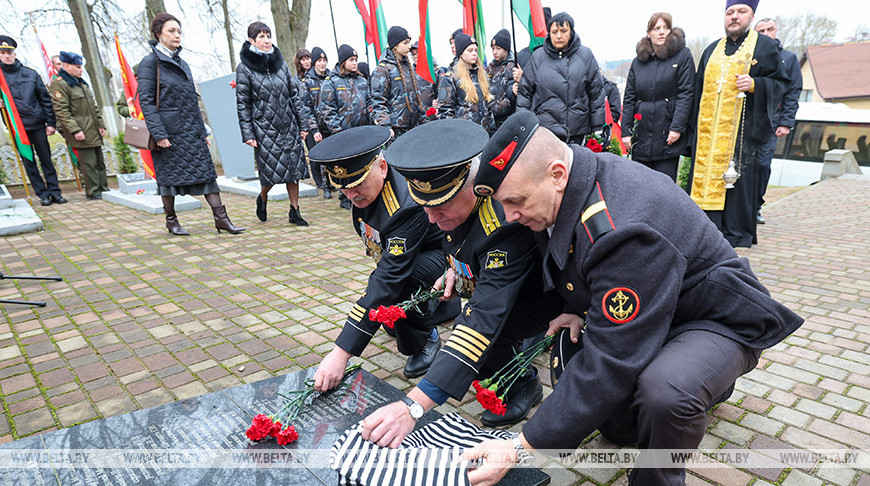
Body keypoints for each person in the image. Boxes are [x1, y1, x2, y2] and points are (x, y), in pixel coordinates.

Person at [463, 109, 803, 486]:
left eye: (517, 202)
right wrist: (576, 307)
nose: (510, 216)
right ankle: (699, 384)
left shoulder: (619, 227)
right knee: (619, 424)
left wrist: (519, 446)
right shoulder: (566, 189)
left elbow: (611, 361)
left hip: (713, 320)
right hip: (659, 311)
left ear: (557, 175)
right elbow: (578, 265)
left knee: (665, 394)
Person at [358, 119, 564, 449]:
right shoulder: (455, 206)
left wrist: (413, 406)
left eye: (440, 207)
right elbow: (459, 243)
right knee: (473, 354)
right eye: (425, 207)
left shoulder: (501, 220)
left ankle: (525, 383)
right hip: (504, 286)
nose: (430, 219)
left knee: (477, 339)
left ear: (471, 187)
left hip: (546, 299)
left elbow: (484, 315)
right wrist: (456, 268)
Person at [309, 125, 460, 393]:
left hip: (445, 256)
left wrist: (341, 353)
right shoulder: (367, 193)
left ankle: (425, 338)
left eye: (357, 183)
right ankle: (427, 311)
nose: (351, 194)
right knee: (389, 298)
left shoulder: (404, 206)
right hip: (414, 252)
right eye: (343, 187)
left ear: (381, 166)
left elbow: (389, 277)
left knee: (400, 283)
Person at [688, 0, 787, 248]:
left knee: (735, 183)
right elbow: (697, 92)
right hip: (707, 135)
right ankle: (700, 226)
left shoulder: (764, 47)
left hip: (741, 133)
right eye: (730, 12)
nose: (734, 17)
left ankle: (734, 233)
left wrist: (755, 85)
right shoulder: (711, 50)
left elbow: (780, 84)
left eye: (741, 12)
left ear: (751, 16)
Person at [138, 13, 244, 235]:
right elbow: (146, 101)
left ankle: (221, 219)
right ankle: (171, 220)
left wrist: (201, 130)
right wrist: (159, 134)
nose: (177, 35)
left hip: (191, 132)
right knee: (168, 180)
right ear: (158, 33)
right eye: (171, 31)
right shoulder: (150, 63)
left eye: (179, 31)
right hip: (168, 132)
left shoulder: (182, 63)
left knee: (208, 175)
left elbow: (191, 100)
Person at [236, 22, 316, 226]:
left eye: (268, 35)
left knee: (294, 169)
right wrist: (248, 134)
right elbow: (243, 103)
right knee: (271, 173)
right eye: (261, 36)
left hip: (288, 125)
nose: (266, 40)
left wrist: (303, 125)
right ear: (252, 41)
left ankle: (295, 210)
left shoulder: (280, 64)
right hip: (264, 129)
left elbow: (294, 96)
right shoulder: (244, 68)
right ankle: (262, 197)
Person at [622, 12, 695, 181]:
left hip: (667, 134)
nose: (661, 32)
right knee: (641, 186)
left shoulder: (682, 56)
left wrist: (677, 127)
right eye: (656, 28)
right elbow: (629, 97)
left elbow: (686, 94)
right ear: (649, 33)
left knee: (664, 186)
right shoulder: (638, 62)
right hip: (642, 134)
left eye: (666, 27)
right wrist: (626, 131)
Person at [517, 12, 606, 145]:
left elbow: (596, 93)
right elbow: (524, 92)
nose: (559, 36)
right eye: (554, 32)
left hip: (576, 129)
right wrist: (523, 123)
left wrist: (598, 126)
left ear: (571, 32)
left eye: (563, 31)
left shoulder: (585, 56)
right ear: (549, 34)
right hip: (545, 129)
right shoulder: (537, 57)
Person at [0, 36, 66, 206]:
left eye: (9, 52)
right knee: (29, 163)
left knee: (46, 161)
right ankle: (42, 194)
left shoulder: (30, 74)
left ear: (14, 54)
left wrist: (50, 123)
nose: (7, 56)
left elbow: (45, 100)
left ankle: (55, 192)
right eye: (2, 53)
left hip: (37, 124)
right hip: (17, 127)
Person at [754, 17, 802, 224]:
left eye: (770, 29)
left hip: (773, 122)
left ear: (776, 31)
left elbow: (793, 91)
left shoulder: (788, 59)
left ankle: (756, 206)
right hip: (748, 120)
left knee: (763, 165)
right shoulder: (749, 55)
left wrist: (786, 122)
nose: (766, 34)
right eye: (761, 30)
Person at [49, 51, 108, 200]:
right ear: (67, 66)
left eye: (81, 67)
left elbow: (93, 106)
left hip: (92, 128)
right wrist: (75, 130)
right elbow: (62, 111)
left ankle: (104, 188)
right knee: (88, 164)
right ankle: (94, 191)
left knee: (99, 162)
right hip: (81, 129)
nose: (81, 70)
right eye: (77, 67)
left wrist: (101, 124)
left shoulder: (80, 82)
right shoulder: (60, 84)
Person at [370, 26, 426, 140]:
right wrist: (385, 126)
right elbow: (378, 102)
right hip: (396, 131)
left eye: (409, 42)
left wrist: (424, 121)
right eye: (405, 43)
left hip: (414, 128)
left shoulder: (409, 68)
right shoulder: (383, 70)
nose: (409, 47)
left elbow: (416, 97)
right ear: (395, 45)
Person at [438, 34, 495, 134]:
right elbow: (446, 113)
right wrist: (453, 136)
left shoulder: (481, 76)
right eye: (469, 50)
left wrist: (493, 131)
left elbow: (488, 108)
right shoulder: (450, 79)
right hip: (464, 136)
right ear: (461, 53)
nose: (474, 54)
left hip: (484, 134)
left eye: (475, 50)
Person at [300, 47, 332, 201]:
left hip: (331, 125)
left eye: (324, 60)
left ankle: (336, 184)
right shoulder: (307, 82)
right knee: (321, 158)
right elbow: (306, 108)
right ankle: (325, 186)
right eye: (319, 61)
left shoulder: (331, 78)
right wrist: (313, 129)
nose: (322, 63)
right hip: (317, 127)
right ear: (314, 63)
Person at [320, 44, 371, 135]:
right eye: (351, 60)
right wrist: (336, 131)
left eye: (356, 60)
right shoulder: (331, 82)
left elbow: (370, 103)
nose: (355, 63)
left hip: (365, 130)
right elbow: (328, 110)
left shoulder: (362, 81)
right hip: (344, 133)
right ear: (343, 62)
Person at [486, 29, 517, 128]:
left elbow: (512, 95)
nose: (495, 52)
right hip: (489, 120)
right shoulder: (490, 68)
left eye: (498, 48)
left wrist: (496, 109)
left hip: (507, 120)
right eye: (493, 48)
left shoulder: (513, 67)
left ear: (506, 49)